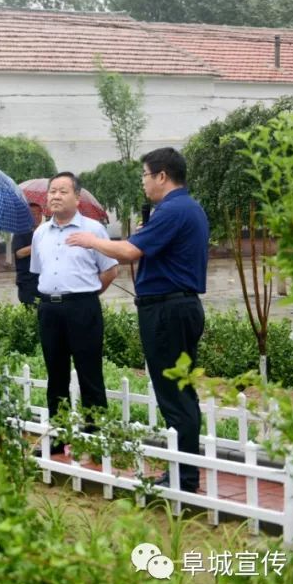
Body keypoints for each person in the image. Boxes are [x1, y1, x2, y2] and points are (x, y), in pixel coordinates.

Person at [67, 147, 209, 493]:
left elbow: (130, 251)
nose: (143, 183)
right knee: (182, 392)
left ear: (162, 176)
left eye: (145, 175)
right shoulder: (185, 209)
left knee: (174, 393)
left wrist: (92, 240)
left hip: (167, 311)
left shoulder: (173, 209)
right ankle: (185, 471)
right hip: (179, 307)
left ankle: (185, 477)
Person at [30, 173, 119, 453]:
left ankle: (96, 437)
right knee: (56, 374)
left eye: (62, 191)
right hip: (49, 309)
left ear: (77, 197)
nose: (55, 196)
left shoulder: (93, 230)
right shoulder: (40, 233)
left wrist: (86, 295)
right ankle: (59, 433)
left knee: (89, 372)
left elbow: (110, 270)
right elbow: (37, 272)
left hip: (83, 307)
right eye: (52, 191)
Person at [11, 202, 45, 305]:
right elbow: (19, 253)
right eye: (33, 214)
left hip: (42, 281)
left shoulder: (43, 232)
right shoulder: (21, 232)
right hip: (27, 283)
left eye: (39, 213)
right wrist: (36, 246)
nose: (37, 216)